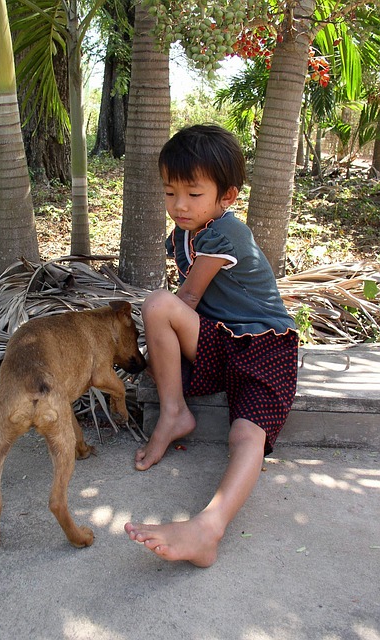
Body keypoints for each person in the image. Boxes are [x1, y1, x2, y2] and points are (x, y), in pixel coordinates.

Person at [124, 124, 299, 567]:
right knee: (157, 307)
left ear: (227, 196)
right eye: (170, 192)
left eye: (193, 193)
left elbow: (187, 299)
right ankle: (174, 413)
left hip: (265, 345)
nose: (179, 205)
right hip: (220, 339)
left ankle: (209, 527)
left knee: (246, 436)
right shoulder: (188, 230)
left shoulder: (227, 233)